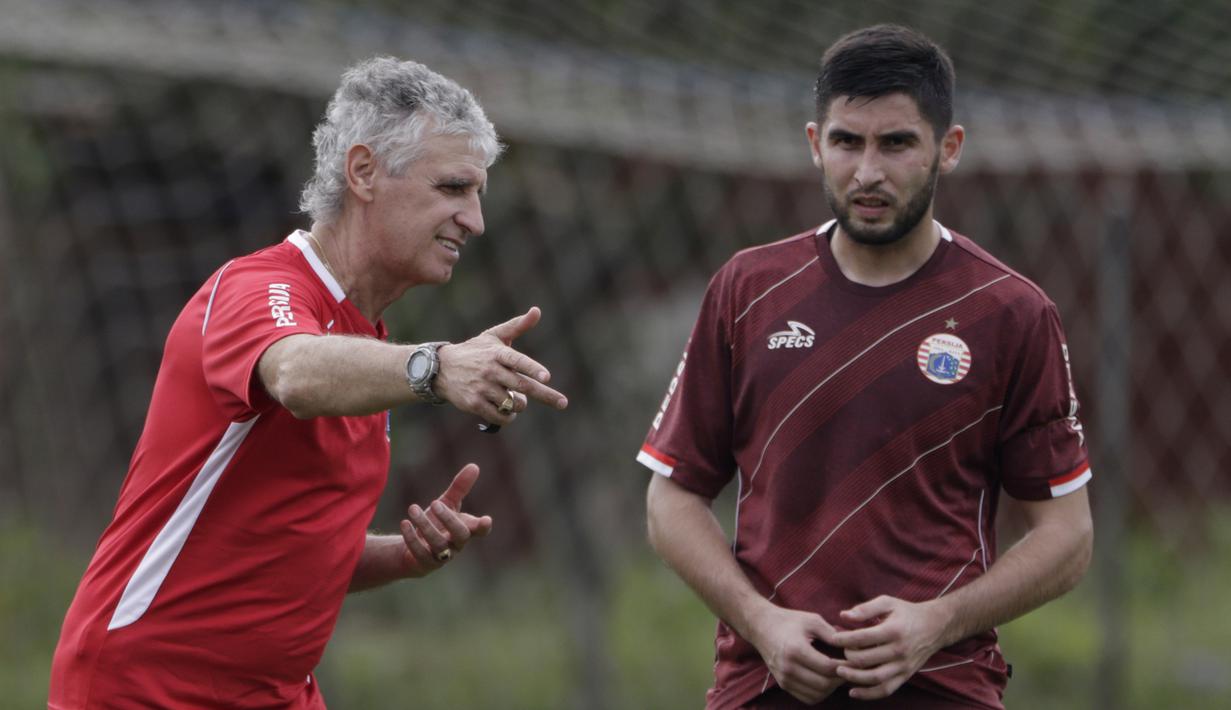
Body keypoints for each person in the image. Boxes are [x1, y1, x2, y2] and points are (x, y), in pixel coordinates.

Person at [49, 57, 568, 708]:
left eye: (478, 196)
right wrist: (436, 366)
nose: (474, 221)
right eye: (453, 188)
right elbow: (293, 371)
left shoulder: (367, 349)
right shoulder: (257, 289)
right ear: (363, 172)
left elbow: (285, 556)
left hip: (277, 694)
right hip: (145, 689)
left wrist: (402, 557)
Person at [639, 24, 1093, 709]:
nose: (868, 172)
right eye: (847, 142)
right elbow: (670, 500)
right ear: (814, 145)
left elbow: (1067, 535)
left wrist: (937, 622)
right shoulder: (746, 289)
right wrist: (761, 622)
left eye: (896, 143)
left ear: (949, 148)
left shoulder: (1010, 312)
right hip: (767, 678)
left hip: (942, 683)